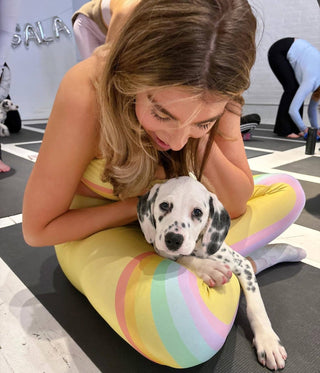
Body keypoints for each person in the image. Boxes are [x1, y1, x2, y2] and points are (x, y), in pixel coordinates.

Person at [23, 0, 306, 370]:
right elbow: (37, 229)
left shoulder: (218, 87)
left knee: (290, 192)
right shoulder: (87, 90)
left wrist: (200, 128)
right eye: (160, 112)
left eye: (203, 122)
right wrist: (137, 206)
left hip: (176, 230)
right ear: (132, 77)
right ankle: (240, 266)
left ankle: (217, 265)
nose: (174, 142)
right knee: (187, 334)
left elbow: (235, 203)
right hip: (92, 231)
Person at [268, 37, 320, 139]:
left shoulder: (317, 86)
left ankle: (295, 129)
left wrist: (316, 129)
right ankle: (284, 130)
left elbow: (312, 108)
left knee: (296, 89)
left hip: (293, 47)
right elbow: (293, 110)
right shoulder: (311, 81)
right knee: (291, 88)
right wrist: (305, 129)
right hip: (279, 51)